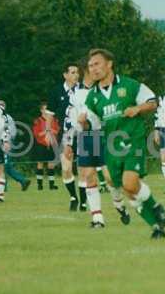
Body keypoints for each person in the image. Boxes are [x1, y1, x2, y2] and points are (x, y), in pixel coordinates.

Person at [79, 48, 165, 239]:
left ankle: (153, 208)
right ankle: (156, 225)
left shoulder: (129, 85)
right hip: (111, 147)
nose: (93, 69)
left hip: (132, 142)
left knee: (129, 183)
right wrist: (84, 123)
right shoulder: (92, 97)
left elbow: (153, 102)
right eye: (90, 66)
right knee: (128, 189)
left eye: (97, 64)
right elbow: (93, 126)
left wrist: (137, 108)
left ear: (109, 64)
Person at [65, 59, 130, 227]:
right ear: (85, 71)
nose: (96, 70)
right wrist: (68, 143)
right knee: (89, 177)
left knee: (109, 178)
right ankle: (97, 219)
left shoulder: (103, 90)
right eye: (92, 67)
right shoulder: (75, 94)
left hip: (104, 135)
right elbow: (70, 119)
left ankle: (119, 205)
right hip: (86, 137)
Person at [47, 63, 81, 210]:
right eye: (72, 72)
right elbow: (50, 114)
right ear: (65, 75)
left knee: (84, 168)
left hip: (84, 132)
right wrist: (48, 132)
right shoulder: (56, 92)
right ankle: (74, 197)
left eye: (77, 72)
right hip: (65, 133)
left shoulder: (83, 90)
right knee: (66, 168)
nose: (76, 75)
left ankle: (85, 201)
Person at [0, 101, 31, 192]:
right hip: (2, 142)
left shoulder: (7, 118)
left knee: (4, 164)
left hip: (5, 142)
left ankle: (4, 187)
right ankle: (23, 181)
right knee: (6, 166)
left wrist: (8, 141)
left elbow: (12, 132)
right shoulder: (4, 117)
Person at [32, 101, 60, 191]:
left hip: (51, 144)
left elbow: (57, 131)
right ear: (41, 110)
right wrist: (46, 131)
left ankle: (52, 185)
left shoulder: (54, 120)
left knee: (51, 164)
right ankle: (39, 185)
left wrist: (50, 130)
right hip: (41, 144)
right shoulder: (38, 121)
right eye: (44, 109)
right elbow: (36, 134)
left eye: (47, 110)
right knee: (40, 163)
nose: (46, 112)